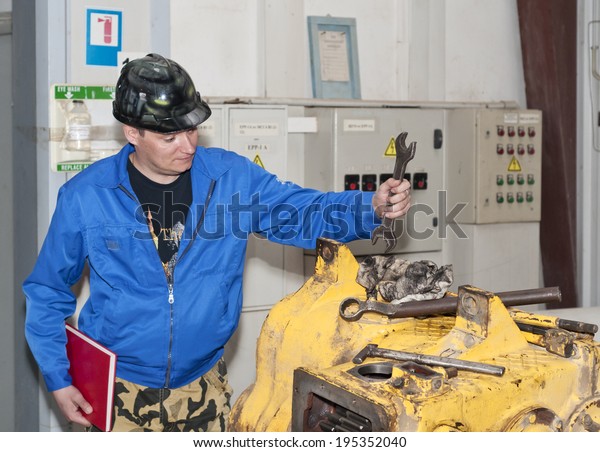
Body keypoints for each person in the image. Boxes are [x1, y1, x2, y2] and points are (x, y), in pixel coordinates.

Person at [23, 54, 411, 432]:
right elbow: (47, 290)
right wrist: (58, 377)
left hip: (202, 390)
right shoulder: (87, 196)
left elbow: (301, 211)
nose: (188, 146)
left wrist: (369, 207)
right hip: (117, 393)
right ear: (132, 133)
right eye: (170, 136)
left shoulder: (230, 179)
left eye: (191, 129)